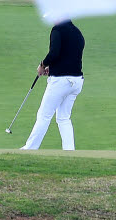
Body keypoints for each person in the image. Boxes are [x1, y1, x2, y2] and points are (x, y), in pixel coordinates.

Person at [21, 20, 85, 150]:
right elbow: (69, 56)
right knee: (63, 118)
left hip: (61, 82)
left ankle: (30, 149)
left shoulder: (58, 30)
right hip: (76, 81)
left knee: (44, 115)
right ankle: (69, 151)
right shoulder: (77, 32)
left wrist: (42, 65)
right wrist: (54, 68)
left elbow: (54, 53)